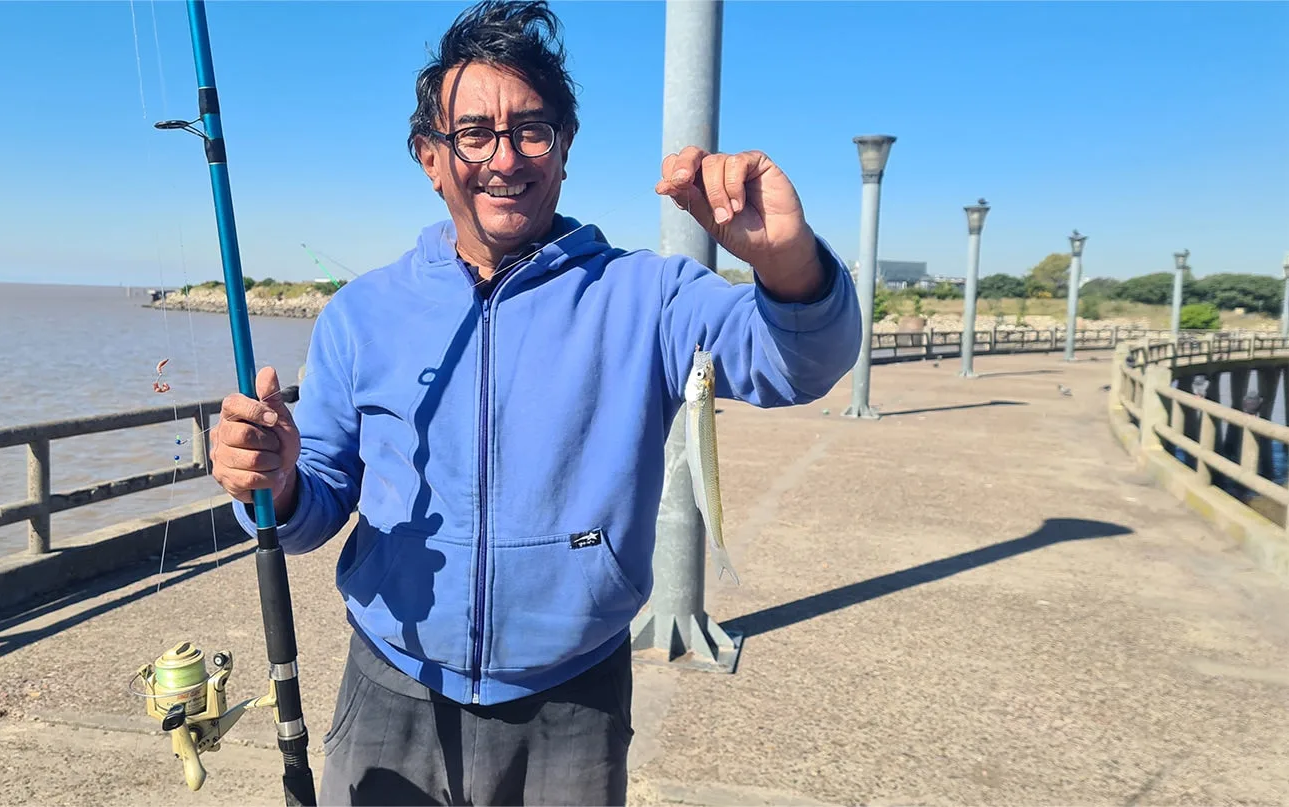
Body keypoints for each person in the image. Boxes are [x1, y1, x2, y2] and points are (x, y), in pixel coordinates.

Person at [208, 1, 861, 803]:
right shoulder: (361, 312)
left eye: (532, 130)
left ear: (564, 149)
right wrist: (270, 482)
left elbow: (796, 362)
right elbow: (316, 502)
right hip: (390, 686)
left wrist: (787, 262)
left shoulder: (648, 294)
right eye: (473, 133)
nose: (504, 157)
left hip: (572, 700)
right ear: (430, 157)